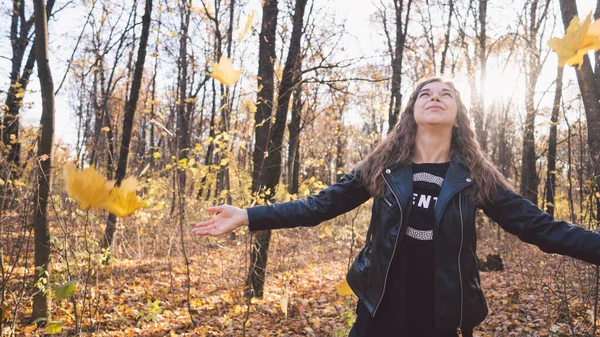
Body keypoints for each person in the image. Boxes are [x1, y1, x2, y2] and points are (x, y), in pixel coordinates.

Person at [192, 78, 600, 337]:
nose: (435, 98)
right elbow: (319, 206)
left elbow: (541, 227)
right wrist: (249, 216)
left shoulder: (477, 178)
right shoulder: (382, 169)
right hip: (379, 311)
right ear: (412, 112)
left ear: (458, 117)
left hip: (446, 317)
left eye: (446, 95)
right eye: (426, 93)